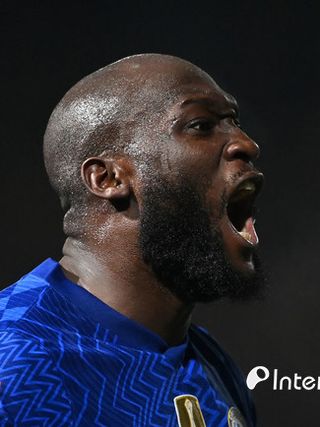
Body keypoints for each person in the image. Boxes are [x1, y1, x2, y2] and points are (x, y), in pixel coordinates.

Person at [0, 54, 265, 426]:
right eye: (201, 125)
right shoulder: (14, 367)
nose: (246, 144)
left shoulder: (212, 362)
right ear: (107, 179)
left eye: (234, 122)